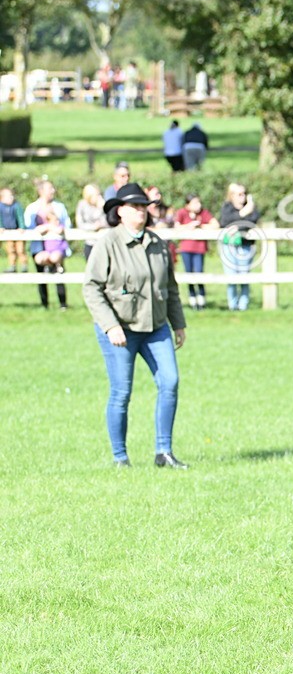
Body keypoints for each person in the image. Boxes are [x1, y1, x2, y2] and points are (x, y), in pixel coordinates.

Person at [83, 182, 188, 469]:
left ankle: (164, 452)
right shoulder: (108, 243)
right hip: (121, 328)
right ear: (120, 211)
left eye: (143, 206)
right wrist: (110, 326)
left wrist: (178, 323)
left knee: (170, 381)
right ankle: (120, 458)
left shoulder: (158, 244)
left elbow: (170, 287)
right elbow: (91, 288)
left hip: (156, 327)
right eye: (134, 206)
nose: (140, 211)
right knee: (121, 393)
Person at [25, 180, 72, 310]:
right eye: (50, 188)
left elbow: (67, 225)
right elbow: (29, 227)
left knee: (59, 274)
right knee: (41, 276)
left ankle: (63, 304)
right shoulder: (32, 208)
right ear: (41, 191)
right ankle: (44, 304)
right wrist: (46, 227)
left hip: (56, 245)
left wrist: (56, 229)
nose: (53, 191)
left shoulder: (59, 207)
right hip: (39, 246)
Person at [218, 183, 259, 311]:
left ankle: (243, 306)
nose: (243, 196)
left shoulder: (251, 207)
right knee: (231, 276)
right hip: (229, 245)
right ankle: (232, 306)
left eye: (244, 193)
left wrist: (237, 226)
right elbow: (224, 222)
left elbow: (252, 222)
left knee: (244, 276)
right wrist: (243, 213)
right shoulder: (227, 207)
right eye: (239, 194)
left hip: (246, 245)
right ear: (232, 195)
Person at [175, 193, 219, 310]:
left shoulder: (204, 213)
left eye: (199, 202)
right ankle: (192, 299)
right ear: (188, 205)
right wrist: (188, 226)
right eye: (195, 203)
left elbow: (215, 224)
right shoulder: (182, 213)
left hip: (199, 248)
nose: (198, 205)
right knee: (189, 273)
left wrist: (201, 226)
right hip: (186, 248)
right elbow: (177, 227)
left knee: (199, 273)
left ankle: (201, 299)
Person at [75, 184, 107, 260]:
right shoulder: (82, 205)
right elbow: (80, 224)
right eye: (97, 195)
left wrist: (102, 208)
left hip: (103, 241)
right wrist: (93, 227)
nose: (100, 197)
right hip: (90, 241)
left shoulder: (103, 205)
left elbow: (108, 221)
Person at [1, 187, 28, 273]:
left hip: (17, 232)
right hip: (8, 233)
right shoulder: (1, 207)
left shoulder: (16, 206)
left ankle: (24, 265)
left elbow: (20, 217)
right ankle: (12, 266)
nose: (11, 198)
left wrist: (22, 227)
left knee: (20, 250)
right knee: (10, 250)